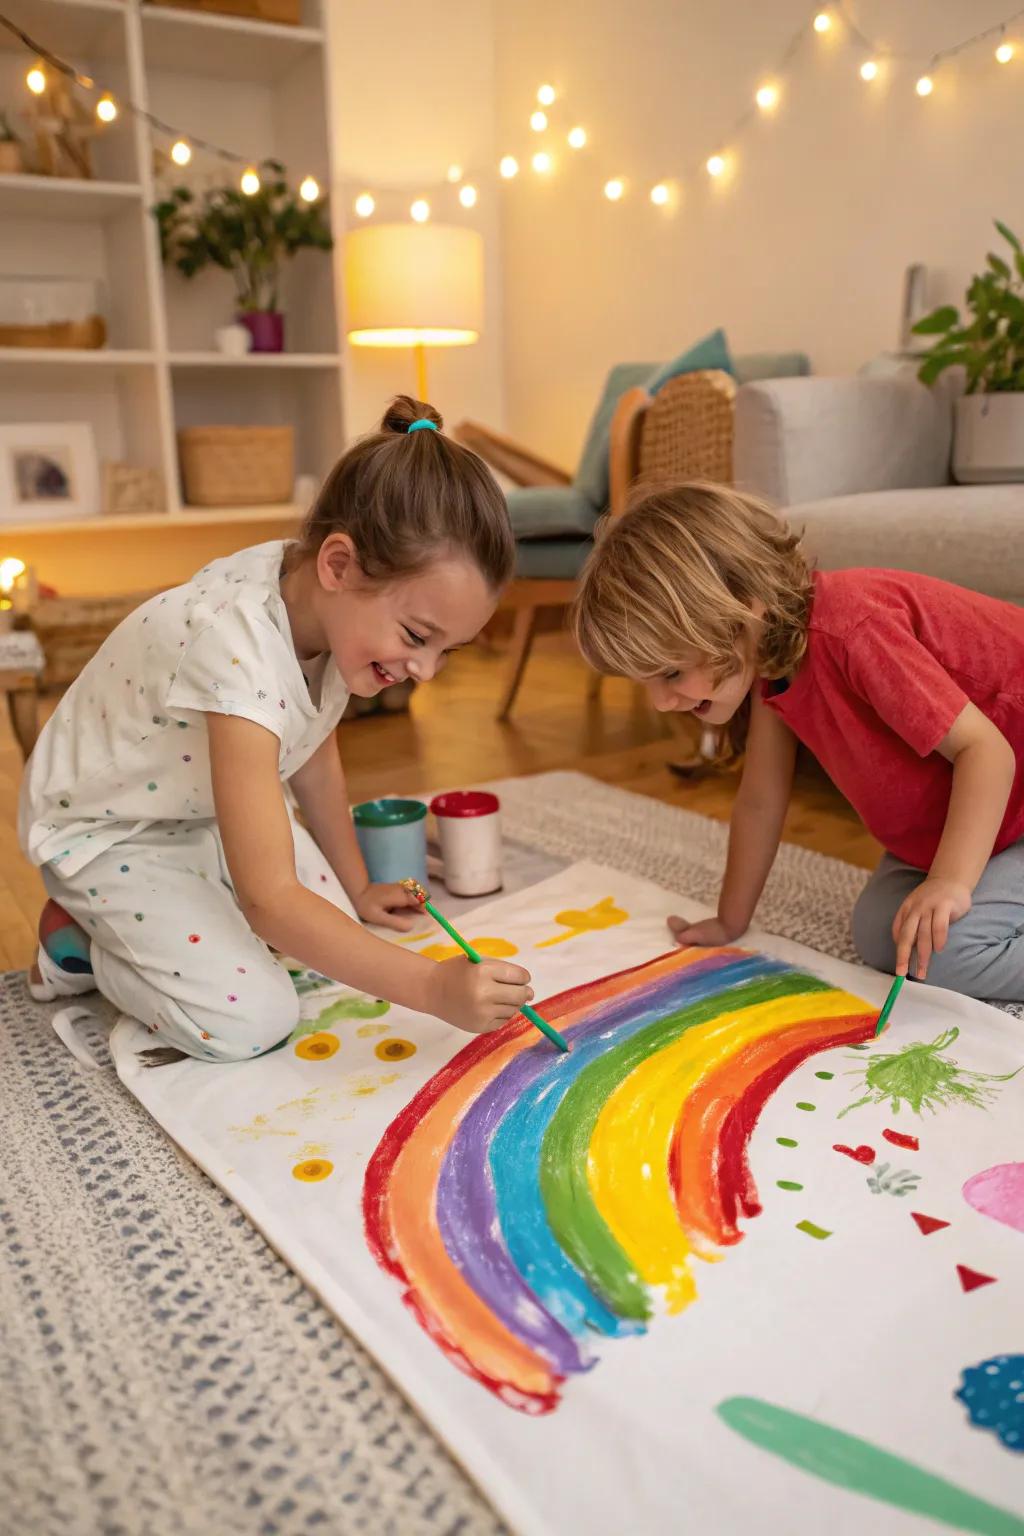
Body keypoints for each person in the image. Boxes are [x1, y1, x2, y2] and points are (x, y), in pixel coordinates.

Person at [19, 396, 534, 1060]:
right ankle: (85, 947)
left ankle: (156, 923)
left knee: (330, 943)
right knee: (252, 1018)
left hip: (198, 809)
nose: (426, 671)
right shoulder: (235, 643)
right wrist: (434, 988)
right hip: (107, 830)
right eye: (417, 637)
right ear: (339, 565)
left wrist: (355, 886)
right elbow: (269, 900)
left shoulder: (320, 599)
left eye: (446, 650)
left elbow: (313, 752)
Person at [572, 480, 1024, 1000]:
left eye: (670, 673)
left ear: (744, 608)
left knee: (951, 954)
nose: (659, 701)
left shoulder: (853, 628)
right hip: (960, 822)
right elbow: (761, 801)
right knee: (882, 935)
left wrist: (949, 883)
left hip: (1009, 797)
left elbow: (986, 752)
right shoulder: (773, 665)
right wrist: (729, 920)